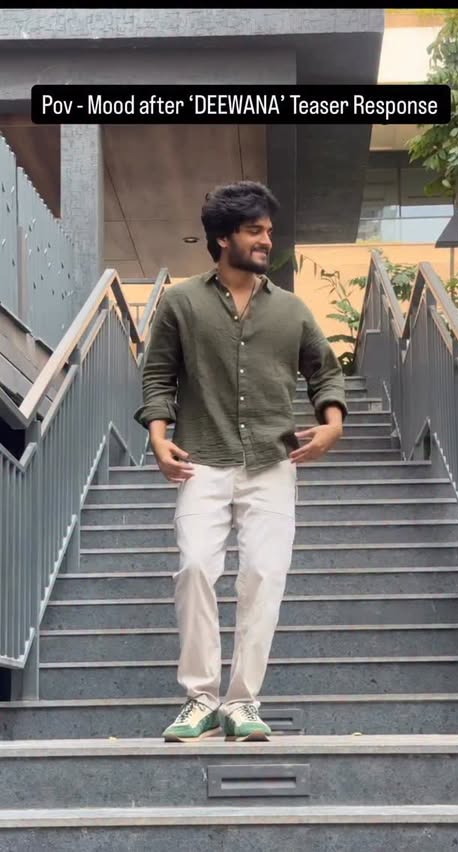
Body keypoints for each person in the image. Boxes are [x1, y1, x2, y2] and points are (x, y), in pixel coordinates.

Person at [134, 180, 347, 742]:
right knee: (195, 570)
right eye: (255, 230)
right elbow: (158, 375)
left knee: (263, 578)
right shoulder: (182, 302)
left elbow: (325, 371)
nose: (266, 240)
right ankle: (201, 698)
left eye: (268, 230)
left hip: (273, 463)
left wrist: (332, 424)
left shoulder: (291, 309)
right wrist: (158, 437)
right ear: (224, 237)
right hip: (200, 459)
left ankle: (242, 702)